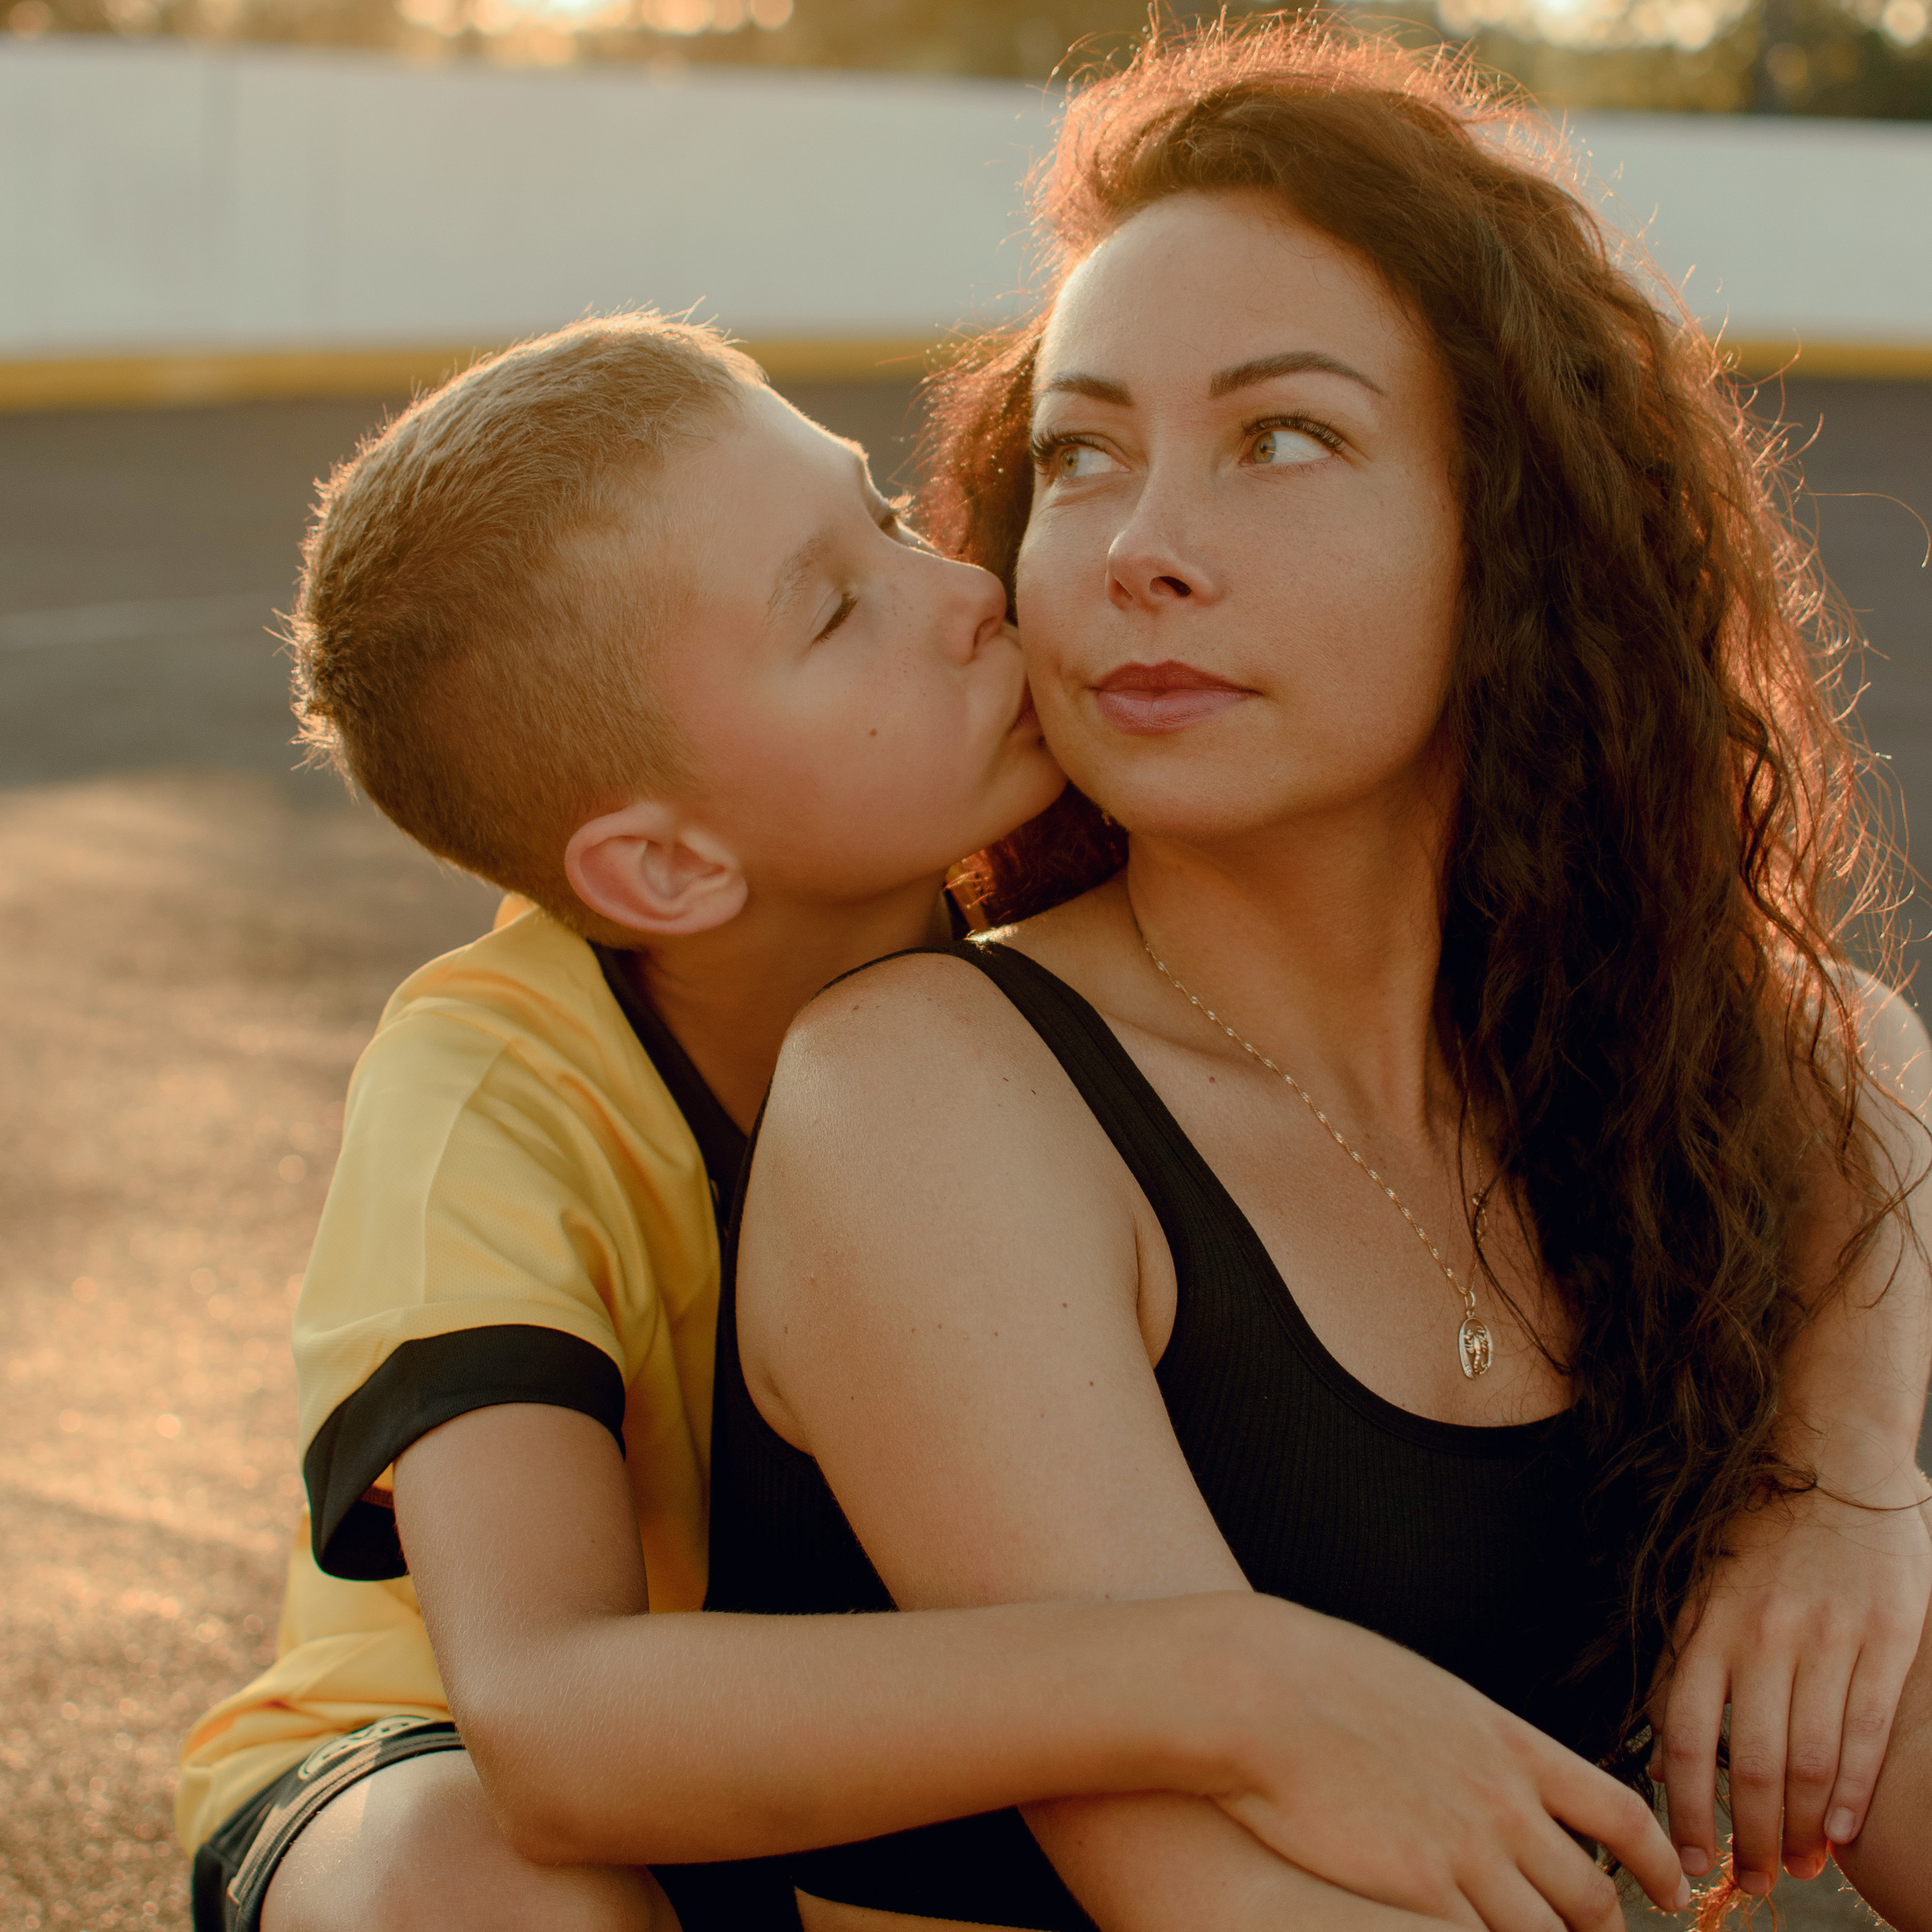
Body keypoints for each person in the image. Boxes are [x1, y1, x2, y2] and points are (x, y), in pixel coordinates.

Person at [175, 315, 1692, 1932]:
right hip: (509, 1774)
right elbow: (550, 1722)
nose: (971, 596)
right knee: (466, 1873)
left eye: (885, 520)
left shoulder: (1052, 932)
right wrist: (1231, 1671)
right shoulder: (490, 1092)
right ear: (671, 865)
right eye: (837, 611)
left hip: (886, 1782)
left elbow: (1810, 1035)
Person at [707, 21, 1932, 1932]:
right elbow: (1219, 1895)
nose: (1135, 549)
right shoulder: (930, 1092)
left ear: (1514, 528)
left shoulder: (1646, 1065)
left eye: (1281, 437)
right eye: (1078, 455)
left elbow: (1853, 1037)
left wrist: (1845, 1489)